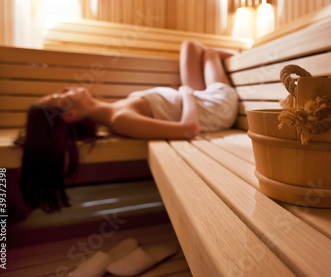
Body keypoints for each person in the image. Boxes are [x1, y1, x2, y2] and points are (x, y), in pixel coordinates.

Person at [17, 40, 239, 212]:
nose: (66, 88)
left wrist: (187, 94)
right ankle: (245, 56)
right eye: (60, 95)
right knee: (209, 53)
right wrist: (187, 93)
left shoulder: (116, 111)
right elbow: (189, 130)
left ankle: (237, 56)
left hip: (198, 99)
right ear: (71, 115)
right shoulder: (120, 120)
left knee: (190, 46)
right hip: (215, 109)